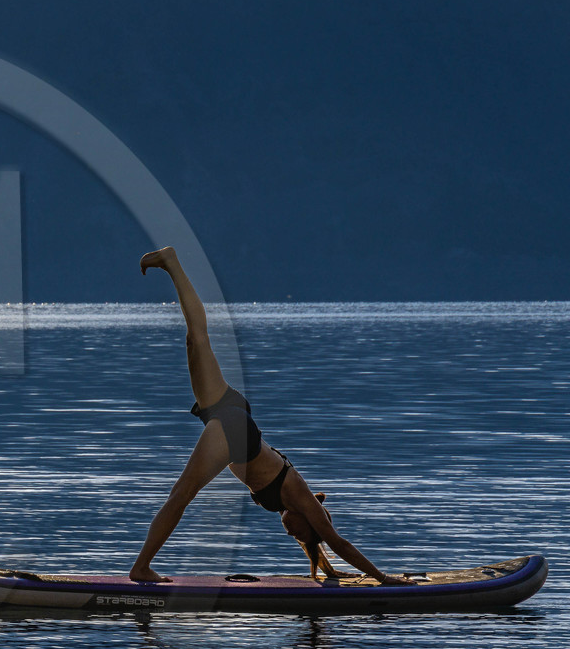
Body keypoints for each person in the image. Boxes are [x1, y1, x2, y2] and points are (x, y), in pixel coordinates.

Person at [129, 248, 411, 585]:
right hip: (236, 433)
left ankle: (172, 264)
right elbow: (336, 542)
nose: (290, 533)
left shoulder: (295, 506)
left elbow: (317, 545)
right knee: (183, 493)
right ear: (311, 518)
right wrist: (383, 578)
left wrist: (326, 570)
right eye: (300, 533)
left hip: (233, 420)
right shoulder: (303, 499)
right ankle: (141, 568)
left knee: (197, 340)